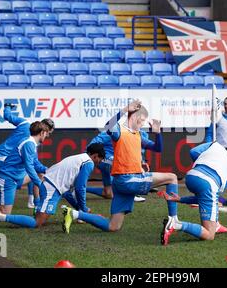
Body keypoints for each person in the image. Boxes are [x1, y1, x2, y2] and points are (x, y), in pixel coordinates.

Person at [62, 100, 180, 245]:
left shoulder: (138, 135)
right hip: (129, 179)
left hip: (121, 183)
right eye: (142, 121)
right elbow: (108, 126)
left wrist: (158, 133)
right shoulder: (120, 131)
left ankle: (74, 213)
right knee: (172, 177)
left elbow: (158, 148)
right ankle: (173, 220)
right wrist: (125, 109)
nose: (143, 124)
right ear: (136, 118)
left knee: (113, 226)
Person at [0, 143, 105, 230]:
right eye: (100, 159)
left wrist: (79, 207)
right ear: (95, 156)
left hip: (48, 184)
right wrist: (83, 208)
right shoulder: (88, 163)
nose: (99, 163)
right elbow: (80, 188)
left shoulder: (79, 158)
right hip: (51, 188)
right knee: (37, 223)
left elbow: (67, 193)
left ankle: (38, 210)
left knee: (39, 218)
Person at [159, 142, 227, 243]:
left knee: (207, 196)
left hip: (191, 176)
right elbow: (211, 196)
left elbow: (193, 151)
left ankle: (214, 224)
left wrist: (181, 199)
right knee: (209, 235)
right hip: (208, 183)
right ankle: (175, 224)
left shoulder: (215, 145)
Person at [82, 128, 162, 202]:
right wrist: (87, 154)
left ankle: (80, 189)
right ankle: (129, 193)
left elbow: (142, 152)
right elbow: (94, 142)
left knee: (108, 193)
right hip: (104, 159)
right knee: (127, 165)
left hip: (115, 163)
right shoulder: (117, 131)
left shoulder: (143, 135)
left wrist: (142, 161)